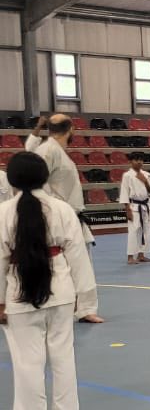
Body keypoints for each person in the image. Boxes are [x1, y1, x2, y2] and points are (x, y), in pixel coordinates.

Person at [0, 152, 95, 410]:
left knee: (28, 364)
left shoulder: (3, 212)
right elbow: (78, 256)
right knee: (63, 359)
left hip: (19, 295)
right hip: (61, 291)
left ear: (12, 180)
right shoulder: (62, 209)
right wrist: (84, 297)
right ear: (45, 177)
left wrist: (0, 301)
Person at [25, 114, 102, 323]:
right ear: (71, 129)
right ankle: (73, 306)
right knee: (68, 264)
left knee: (80, 263)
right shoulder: (47, 150)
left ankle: (83, 307)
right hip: (57, 216)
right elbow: (38, 183)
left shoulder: (56, 151)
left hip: (70, 215)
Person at [120, 153, 150, 265]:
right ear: (130, 162)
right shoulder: (127, 175)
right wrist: (127, 210)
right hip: (134, 207)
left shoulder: (148, 175)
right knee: (133, 231)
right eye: (136, 160)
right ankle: (130, 257)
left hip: (146, 206)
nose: (139, 162)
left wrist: (145, 181)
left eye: (141, 160)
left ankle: (141, 255)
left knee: (146, 231)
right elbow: (124, 192)